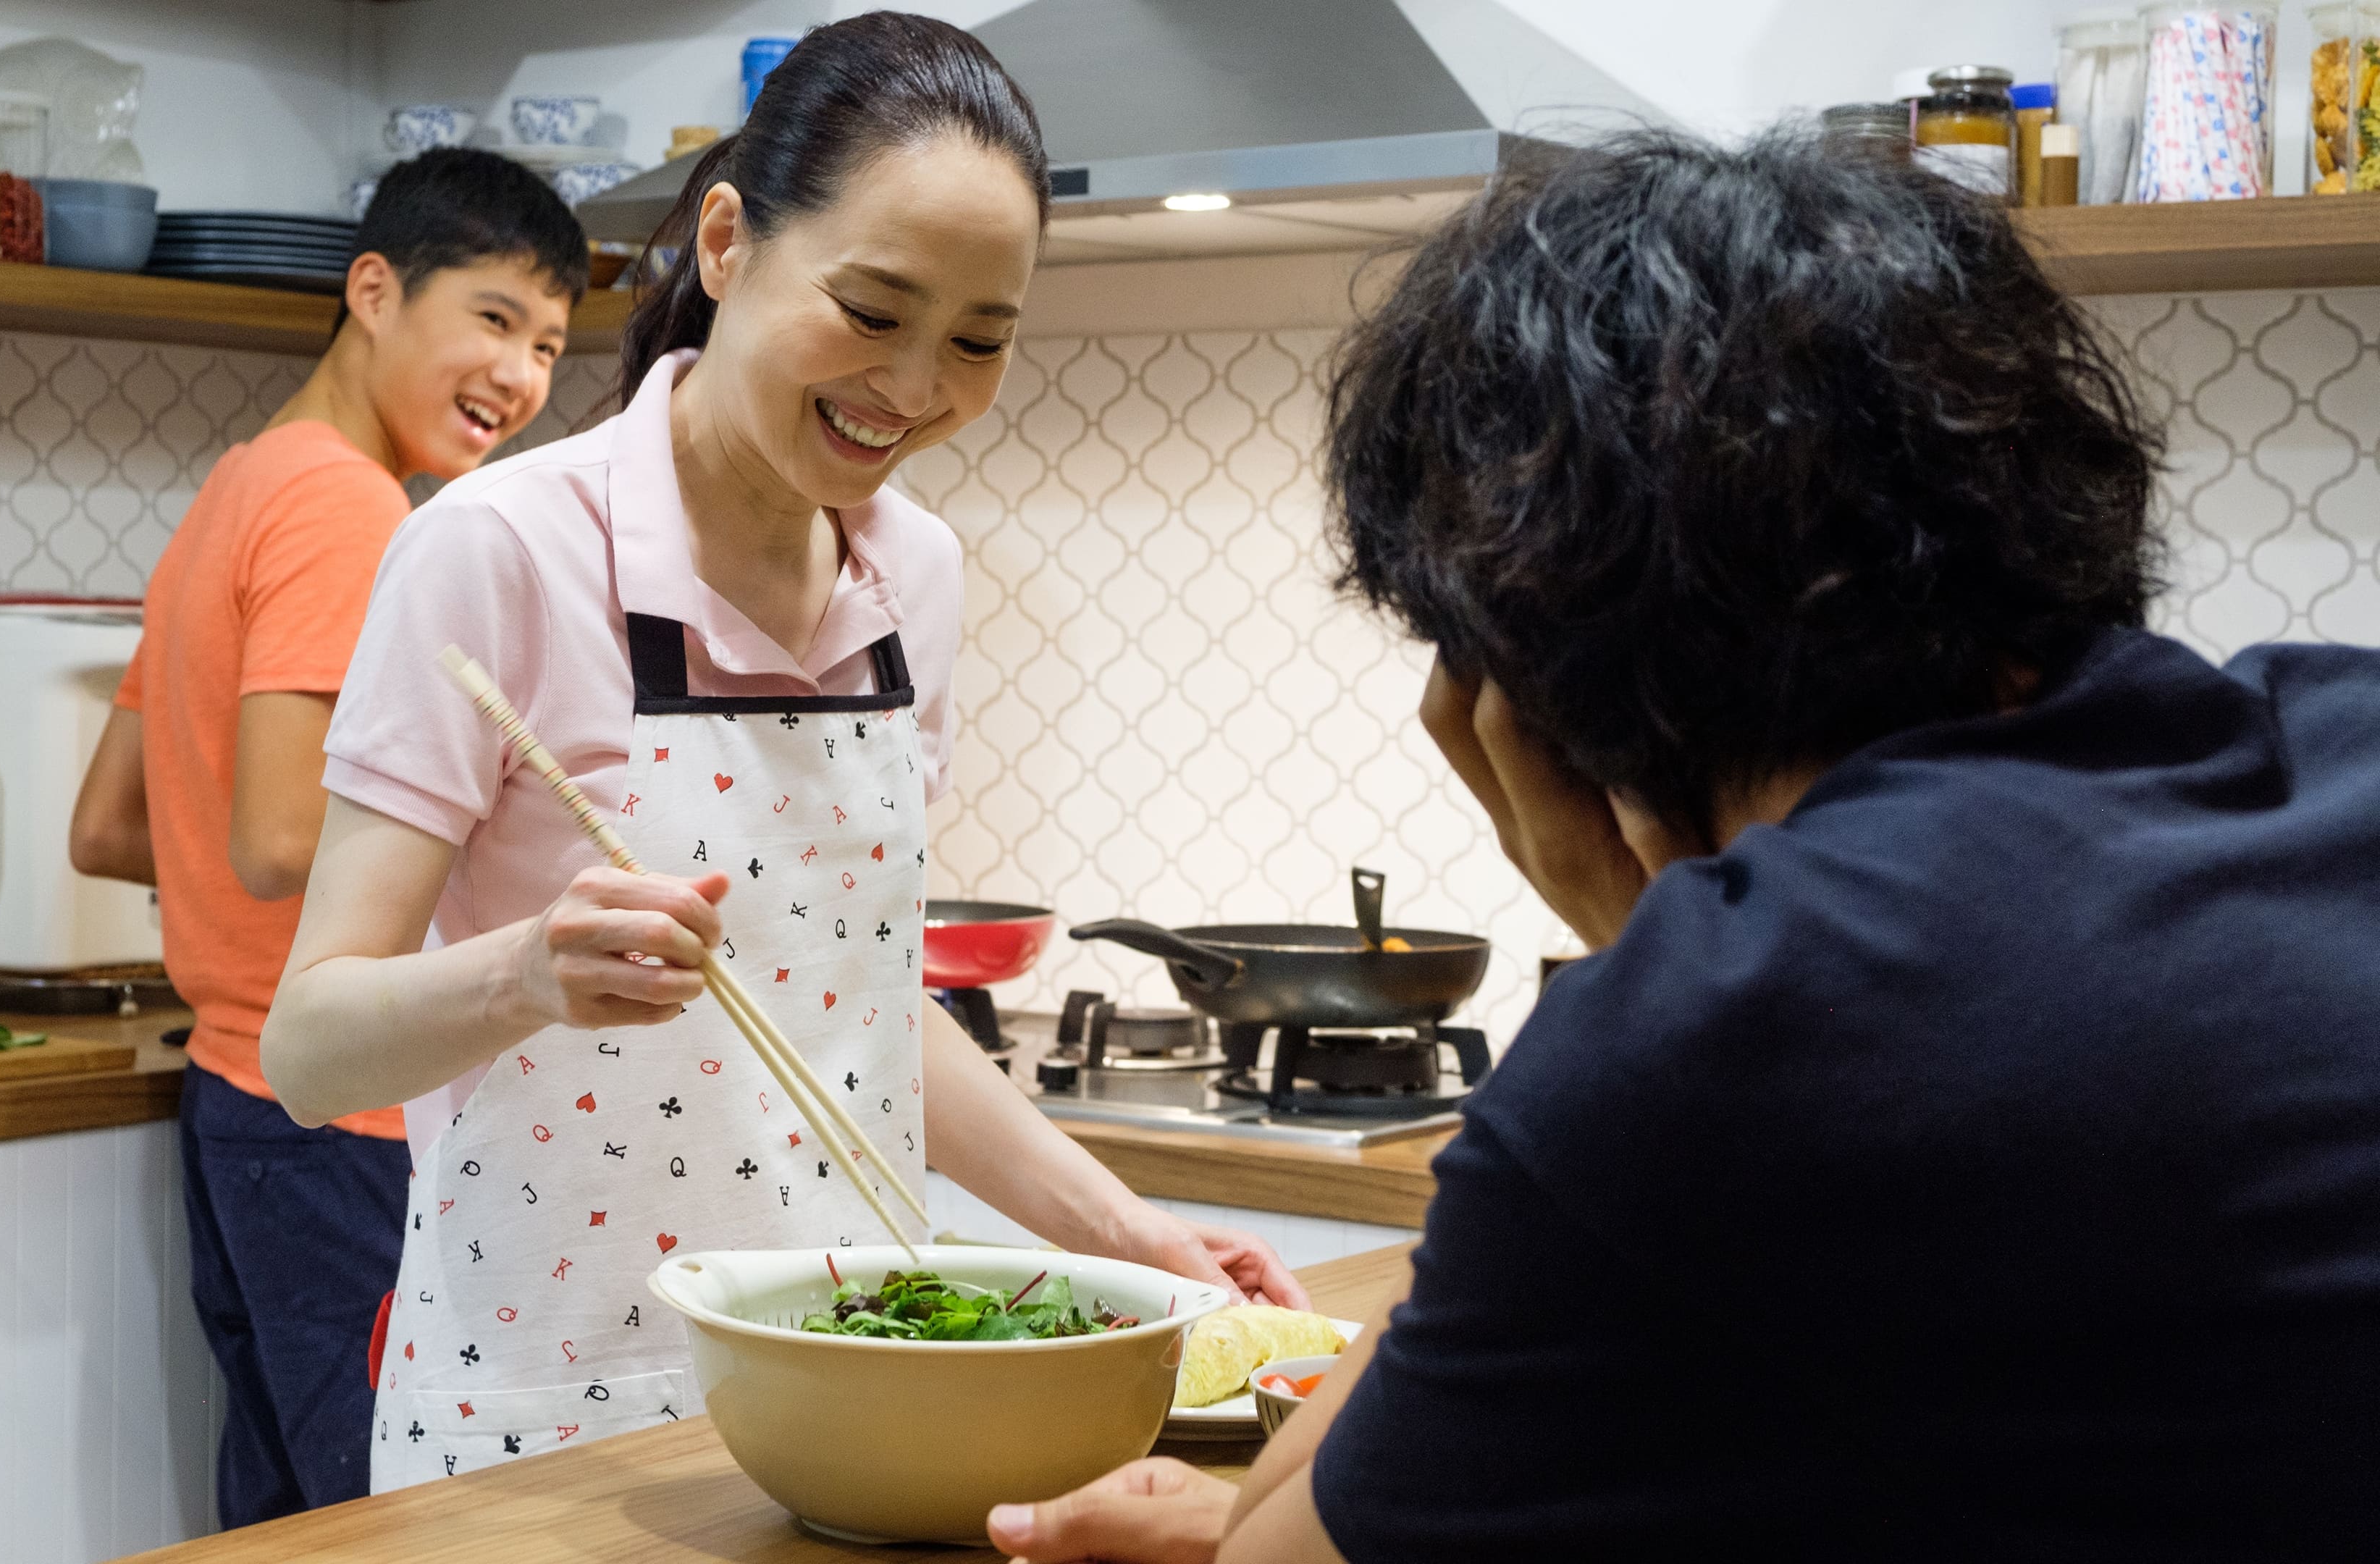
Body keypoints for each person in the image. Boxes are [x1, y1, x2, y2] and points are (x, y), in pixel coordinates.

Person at [987, 128, 2380, 1561]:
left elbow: (1267, 1557)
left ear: (1517, 700)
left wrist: (1652, 947)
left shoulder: (1726, 1031)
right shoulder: (2344, 732)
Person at [256, 12, 1304, 1494]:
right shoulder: (495, 551)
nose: (919, 387)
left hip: (856, 1392)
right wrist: (527, 974)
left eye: (981, 340)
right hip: (548, 1415)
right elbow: (306, 1051)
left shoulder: (915, 579)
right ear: (733, 242)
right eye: (874, 313)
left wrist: (1123, 1232)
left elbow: (855, 1003)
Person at [67, 147, 585, 1526]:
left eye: (547, 345)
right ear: (373, 290)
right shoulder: (347, 506)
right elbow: (285, 839)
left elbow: (113, 825)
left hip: (237, 1098)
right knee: (394, 1519)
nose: (522, 376)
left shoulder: (233, 489)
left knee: (288, 1515)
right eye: (492, 318)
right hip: (342, 1108)